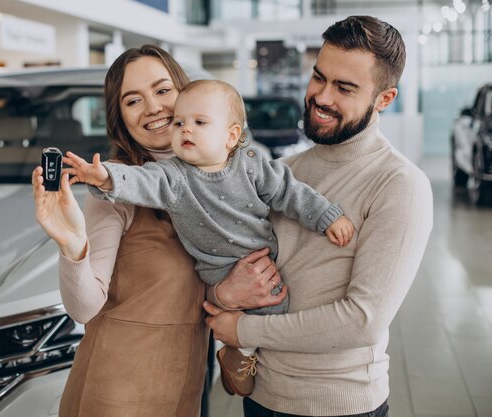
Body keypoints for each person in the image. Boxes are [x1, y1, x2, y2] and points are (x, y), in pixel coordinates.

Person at [62, 78, 355, 397]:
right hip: (216, 269)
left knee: (276, 303)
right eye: (179, 123)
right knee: (257, 313)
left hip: (261, 261)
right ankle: (241, 354)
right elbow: (139, 181)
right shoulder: (173, 176)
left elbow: (290, 191)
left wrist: (327, 215)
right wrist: (104, 177)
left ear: (231, 136)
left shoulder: (253, 165)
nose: (186, 130)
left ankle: (241, 354)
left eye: (199, 122)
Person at [203, 15, 434, 417]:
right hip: (260, 396)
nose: (322, 96)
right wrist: (224, 294)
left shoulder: (399, 184)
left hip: (339, 406)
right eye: (318, 77)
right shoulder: (282, 171)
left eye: (344, 87)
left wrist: (243, 329)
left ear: (384, 99)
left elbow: (363, 320)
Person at [32, 45, 211, 417]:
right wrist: (72, 245)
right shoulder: (113, 186)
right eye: (133, 100)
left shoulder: (214, 178)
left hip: (186, 383)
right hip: (118, 390)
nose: (153, 108)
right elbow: (84, 308)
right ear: (120, 118)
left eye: (163, 90)